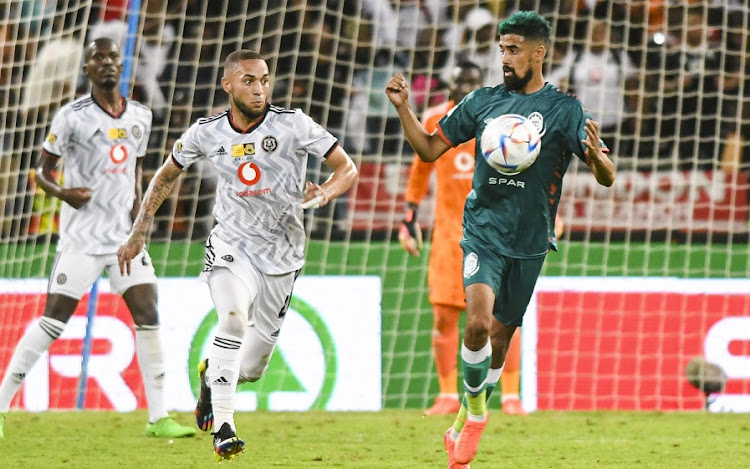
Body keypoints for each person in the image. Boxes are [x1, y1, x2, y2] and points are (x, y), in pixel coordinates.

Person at [386, 11, 615, 467]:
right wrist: (403, 109)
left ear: (538, 52)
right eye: (502, 50)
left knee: (498, 339)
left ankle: (465, 422)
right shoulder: (482, 102)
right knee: (475, 322)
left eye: (513, 50)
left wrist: (595, 156)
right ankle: (475, 413)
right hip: (482, 233)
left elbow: (606, 176)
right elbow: (429, 149)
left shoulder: (565, 110)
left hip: (530, 241)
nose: (505, 59)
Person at [117, 50, 358, 461]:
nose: (259, 88)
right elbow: (167, 174)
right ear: (227, 85)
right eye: (249, 80)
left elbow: (346, 167)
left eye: (264, 79)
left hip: (283, 254)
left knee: (253, 368)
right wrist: (141, 227)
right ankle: (225, 429)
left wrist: (326, 192)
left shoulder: (293, 124)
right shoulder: (206, 132)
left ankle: (212, 375)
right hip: (231, 245)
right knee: (231, 318)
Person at [0, 38, 195, 439]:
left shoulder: (141, 115)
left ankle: (159, 418)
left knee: (148, 314)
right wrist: (65, 194)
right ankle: (1, 405)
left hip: (123, 239)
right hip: (81, 241)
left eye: (111, 57)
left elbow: (137, 174)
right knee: (53, 321)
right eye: (96, 58)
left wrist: (140, 223)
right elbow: (40, 172)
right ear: (87, 68)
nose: (105, 63)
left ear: (120, 66)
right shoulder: (71, 117)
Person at [400, 60, 527, 417]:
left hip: (497, 233)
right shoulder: (435, 120)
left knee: (504, 317)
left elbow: (528, 169)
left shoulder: (503, 120)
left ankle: (511, 395)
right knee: (443, 316)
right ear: (448, 86)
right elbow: (420, 169)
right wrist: (408, 217)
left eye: (471, 83)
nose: (464, 90)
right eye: (459, 84)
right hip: (448, 235)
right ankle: (446, 395)